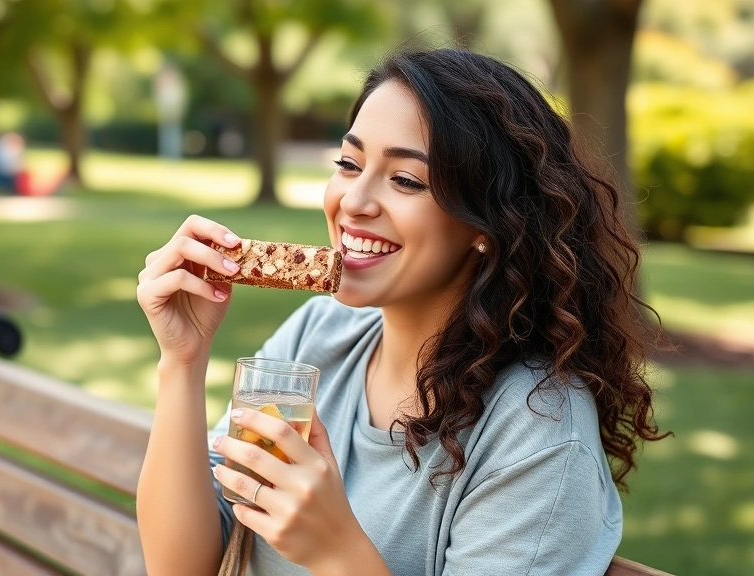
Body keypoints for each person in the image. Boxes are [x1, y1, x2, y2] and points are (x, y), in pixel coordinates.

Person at [135, 48, 668, 576]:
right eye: (349, 163)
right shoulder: (317, 335)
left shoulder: (536, 426)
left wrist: (336, 552)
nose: (354, 202)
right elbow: (183, 567)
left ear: (487, 222)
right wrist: (182, 361)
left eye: (406, 180)